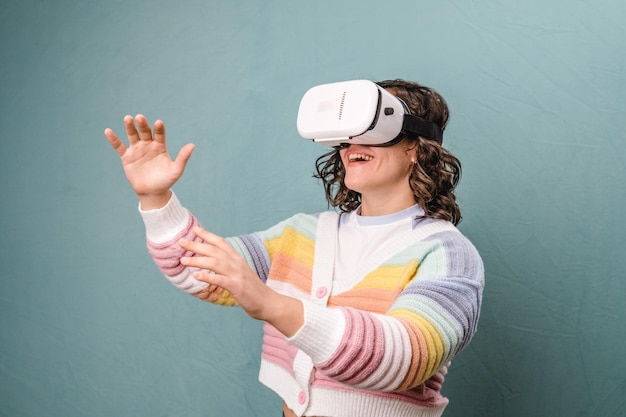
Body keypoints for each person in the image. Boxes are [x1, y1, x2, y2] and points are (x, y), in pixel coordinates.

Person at [104, 79, 484, 417]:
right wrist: (157, 199)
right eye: (346, 132)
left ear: (417, 148)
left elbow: (404, 358)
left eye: (372, 127)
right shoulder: (302, 233)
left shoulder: (447, 254)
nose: (352, 144)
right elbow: (201, 271)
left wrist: (270, 303)